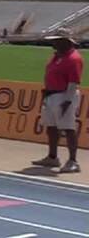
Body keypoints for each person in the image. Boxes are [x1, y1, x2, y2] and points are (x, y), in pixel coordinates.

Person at [32, 29, 82, 174]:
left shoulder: (74, 58)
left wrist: (67, 101)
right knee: (51, 127)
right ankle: (52, 156)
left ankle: (73, 161)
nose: (53, 43)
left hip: (64, 95)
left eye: (56, 40)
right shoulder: (57, 56)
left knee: (68, 128)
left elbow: (74, 82)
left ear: (65, 41)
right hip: (51, 95)